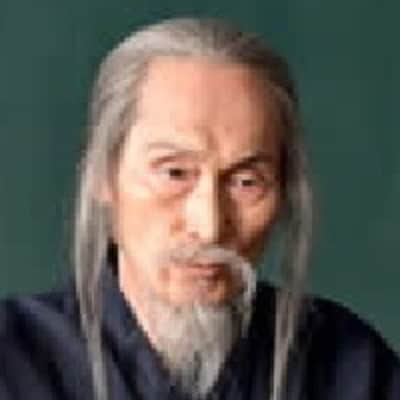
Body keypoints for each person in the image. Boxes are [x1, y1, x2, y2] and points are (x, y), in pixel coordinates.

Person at [0, 17, 398, 400]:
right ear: (104, 175)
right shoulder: (12, 360)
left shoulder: (351, 368)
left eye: (246, 182)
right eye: (174, 173)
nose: (209, 227)